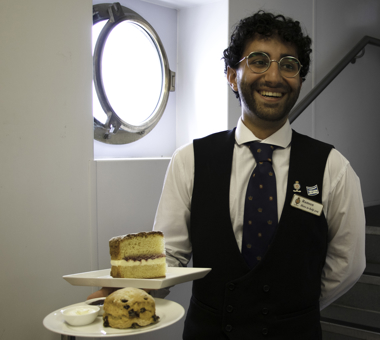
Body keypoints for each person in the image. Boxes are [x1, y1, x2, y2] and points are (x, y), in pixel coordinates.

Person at [89, 11, 365, 339]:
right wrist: (125, 290)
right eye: (259, 61)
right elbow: (172, 256)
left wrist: (297, 307)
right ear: (233, 76)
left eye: (288, 64)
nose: (274, 76)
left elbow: (347, 265)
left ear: (299, 80)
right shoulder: (189, 160)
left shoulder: (333, 168)